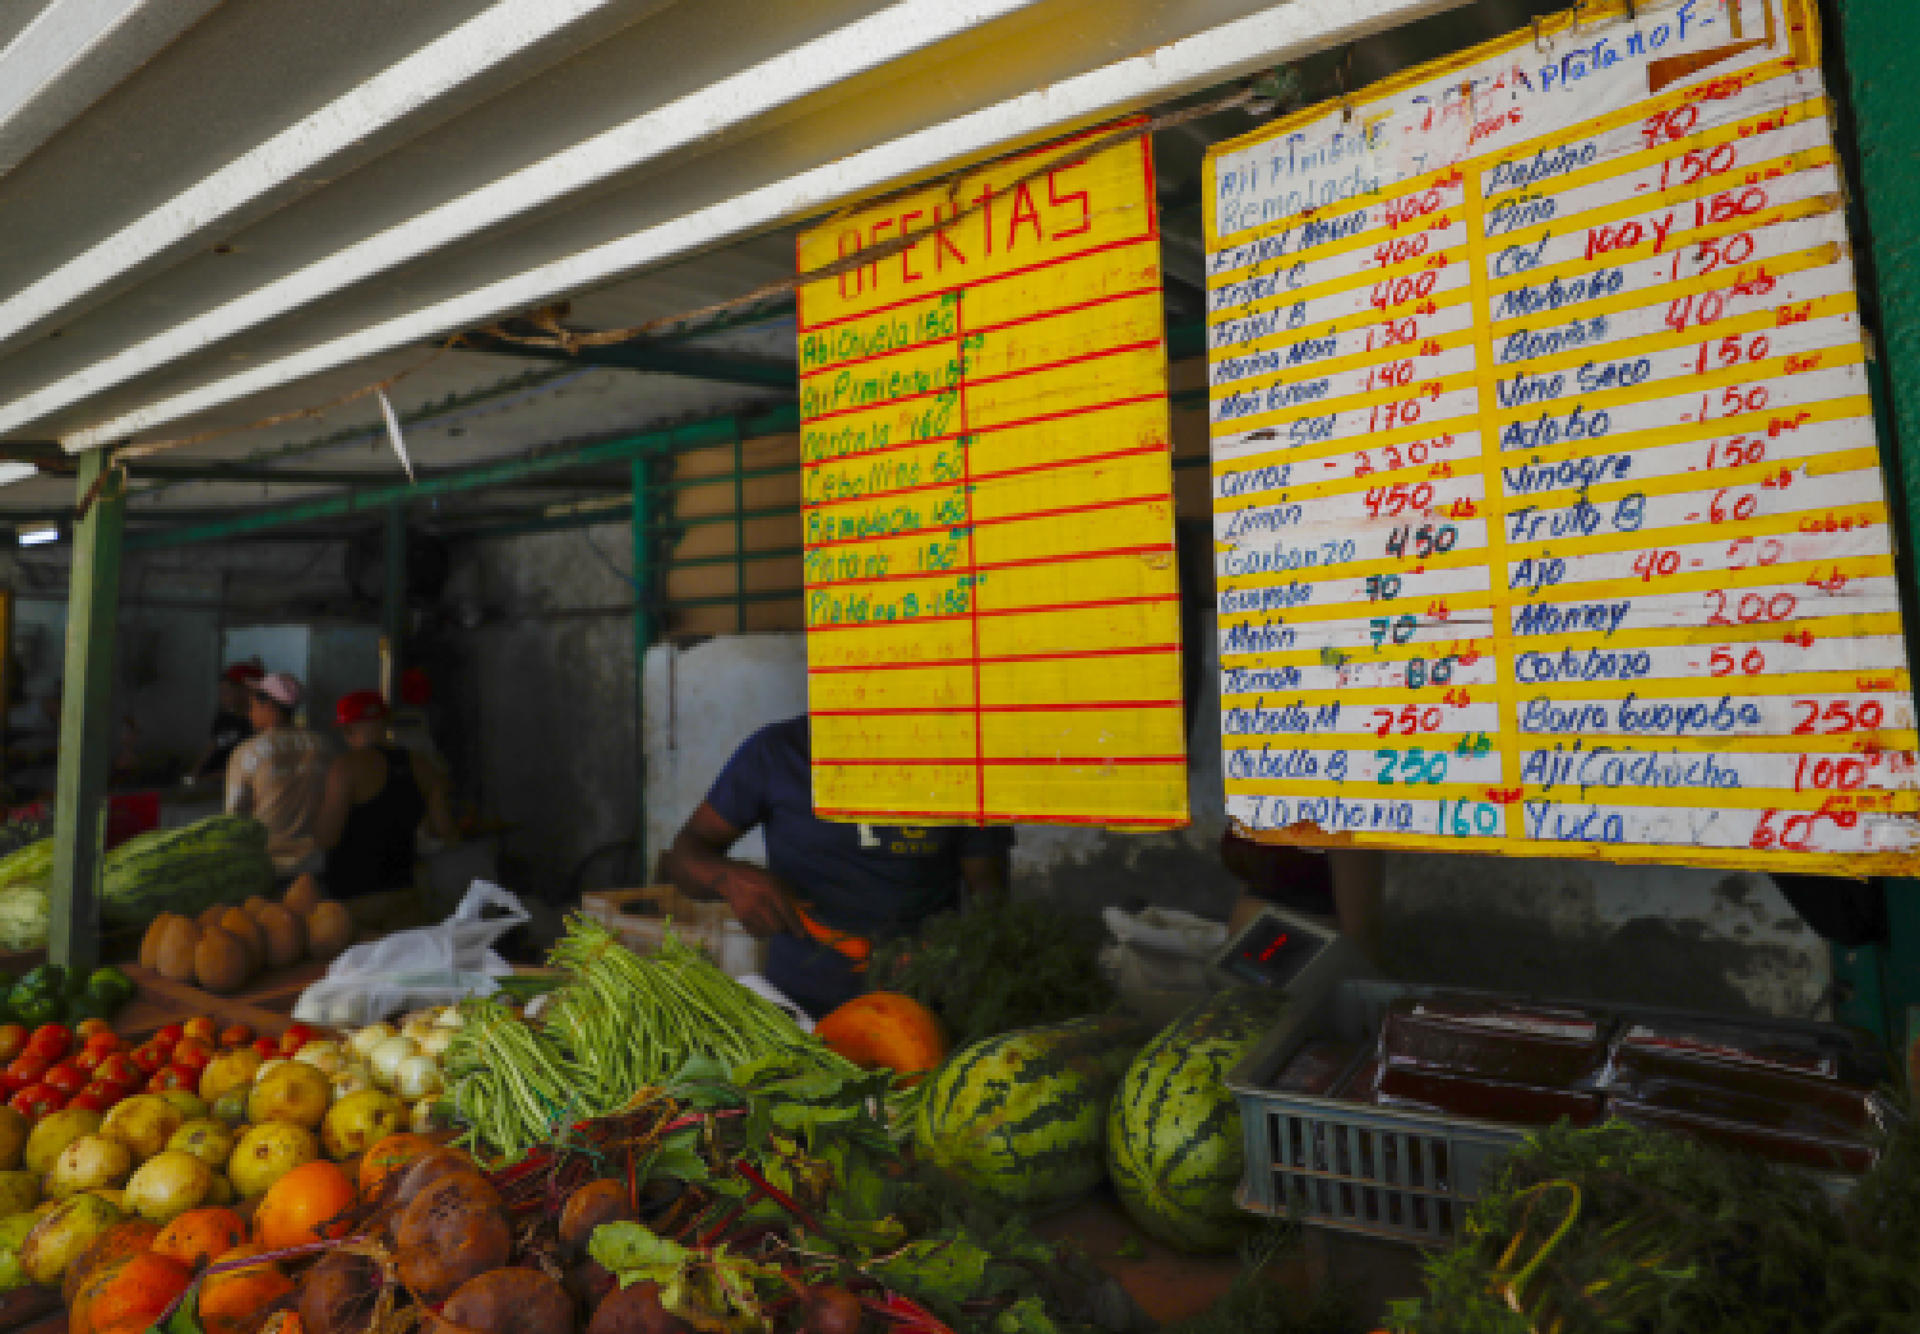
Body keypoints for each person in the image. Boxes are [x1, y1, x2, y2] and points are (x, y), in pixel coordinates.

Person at [666, 715, 1012, 1017]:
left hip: (922, 1004)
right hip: (798, 1005)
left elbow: (990, 898)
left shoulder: (962, 762)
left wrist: (951, 954)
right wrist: (728, 878)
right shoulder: (779, 752)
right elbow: (683, 856)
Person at [316, 690, 458, 898]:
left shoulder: (345, 767)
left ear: (347, 730)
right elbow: (444, 829)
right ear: (386, 722)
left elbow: (326, 838)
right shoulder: (422, 765)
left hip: (353, 899)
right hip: (404, 893)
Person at [225, 672, 333, 876]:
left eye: (253, 705)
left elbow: (234, 818)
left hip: (267, 865)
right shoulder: (324, 746)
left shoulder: (248, 751)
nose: (250, 713)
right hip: (317, 863)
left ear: (269, 706)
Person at [192, 661, 263, 782]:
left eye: (227, 692)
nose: (222, 698)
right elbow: (214, 745)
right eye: (221, 693)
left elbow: (254, 767)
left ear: (244, 690)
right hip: (211, 781)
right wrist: (194, 774)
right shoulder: (224, 717)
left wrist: (212, 777)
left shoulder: (258, 723)